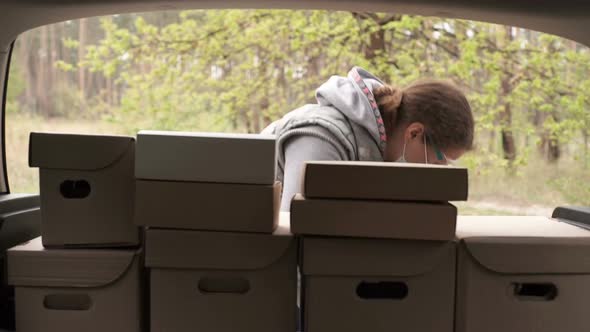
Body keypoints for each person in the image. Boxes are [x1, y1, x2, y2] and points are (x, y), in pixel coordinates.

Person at [263, 66, 474, 211]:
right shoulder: (321, 138)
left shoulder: (378, 157)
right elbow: (294, 233)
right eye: (439, 161)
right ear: (414, 133)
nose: (438, 171)